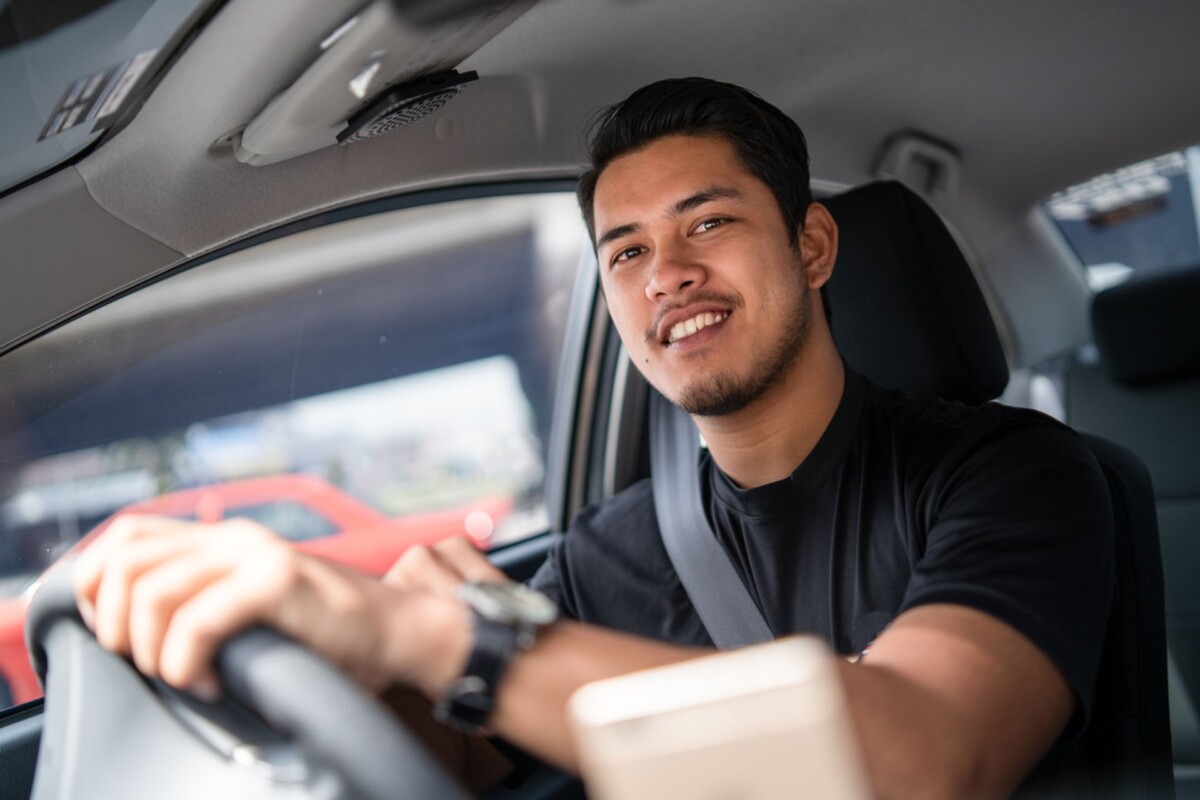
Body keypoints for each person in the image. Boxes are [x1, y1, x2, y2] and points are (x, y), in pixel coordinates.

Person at [72, 77, 1114, 798]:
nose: (668, 275)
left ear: (810, 245)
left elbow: (930, 758)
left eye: (708, 223)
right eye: (627, 253)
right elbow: (459, 762)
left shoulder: (1015, 475)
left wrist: (450, 636)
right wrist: (342, 655)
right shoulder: (602, 554)